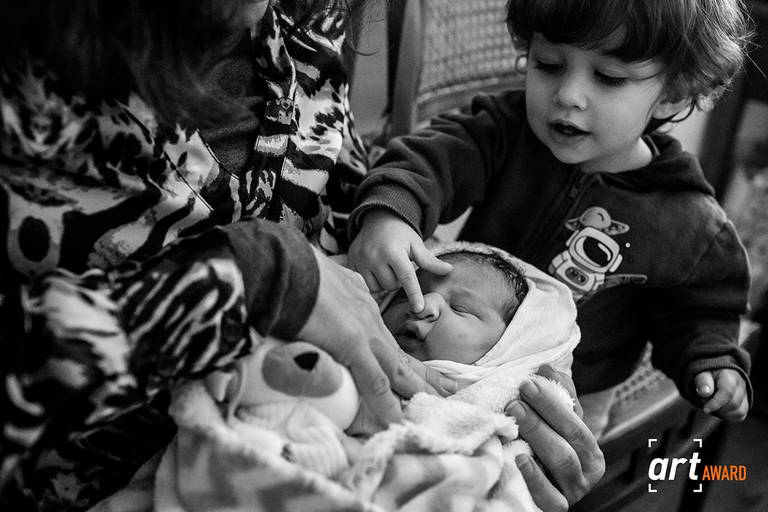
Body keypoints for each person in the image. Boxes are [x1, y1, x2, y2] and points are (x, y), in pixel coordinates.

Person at [0, 1, 603, 511]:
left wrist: (519, 376)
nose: (422, 310)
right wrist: (254, 278)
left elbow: (333, 190)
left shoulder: (301, 19)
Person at [348, 0, 753, 438]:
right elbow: (430, 160)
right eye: (548, 65)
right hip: (441, 357)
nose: (567, 96)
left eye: (608, 77)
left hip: (562, 407)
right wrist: (393, 211)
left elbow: (703, 312)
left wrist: (711, 359)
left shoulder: (690, 222)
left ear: (675, 89)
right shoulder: (504, 130)